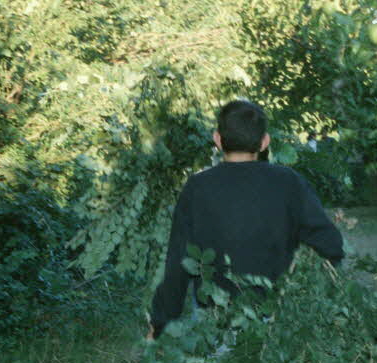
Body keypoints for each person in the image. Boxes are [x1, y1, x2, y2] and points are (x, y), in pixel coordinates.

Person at [148, 99, 345, 338]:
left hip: (214, 320)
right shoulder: (288, 182)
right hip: (275, 317)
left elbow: (179, 259)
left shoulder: (197, 188)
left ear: (217, 139)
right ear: (264, 142)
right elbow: (331, 244)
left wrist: (160, 322)